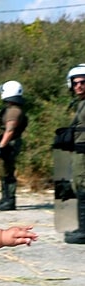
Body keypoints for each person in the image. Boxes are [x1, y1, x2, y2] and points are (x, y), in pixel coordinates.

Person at [0, 80, 29, 211]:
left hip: (9, 144)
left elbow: (10, 130)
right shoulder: (12, 109)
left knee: (8, 172)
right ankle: (4, 198)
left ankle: (10, 200)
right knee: (4, 171)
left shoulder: (13, 111)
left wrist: (1, 146)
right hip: (7, 144)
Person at [64, 64, 85, 244]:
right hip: (79, 153)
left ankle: (83, 231)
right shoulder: (81, 104)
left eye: (83, 82)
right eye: (75, 82)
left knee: (83, 189)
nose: (78, 86)